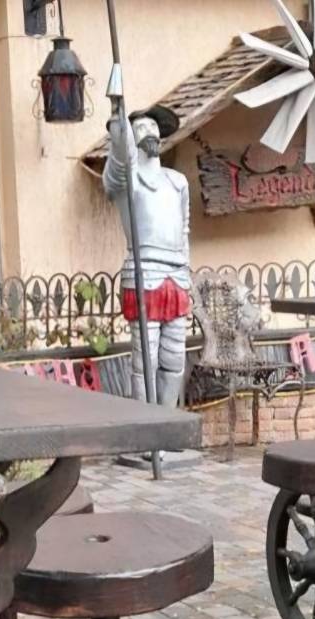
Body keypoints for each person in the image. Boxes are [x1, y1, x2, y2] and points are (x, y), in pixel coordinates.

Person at [102, 105, 191, 409]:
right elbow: (119, 160)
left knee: (174, 359)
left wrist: (187, 270)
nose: (149, 132)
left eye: (153, 126)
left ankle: (168, 421)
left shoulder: (178, 182)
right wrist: (118, 120)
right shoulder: (127, 179)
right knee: (145, 361)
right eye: (140, 128)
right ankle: (147, 424)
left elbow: (184, 230)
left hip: (176, 276)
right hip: (144, 273)